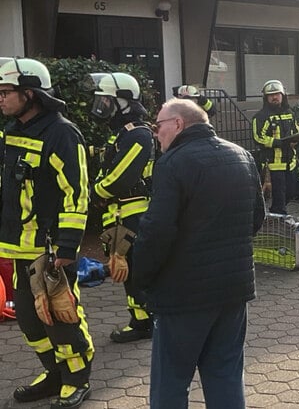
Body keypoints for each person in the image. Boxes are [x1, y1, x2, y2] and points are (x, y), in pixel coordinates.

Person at [133, 99, 265, 409]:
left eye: (158, 126)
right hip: (234, 291)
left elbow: (157, 231)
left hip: (184, 295)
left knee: (171, 381)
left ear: (177, 124)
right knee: (225, 376)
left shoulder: (173, 163)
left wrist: (141, 276)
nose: (155, 133)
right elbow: (256, 218)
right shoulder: (241, 156)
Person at [0, 58, 94, 408]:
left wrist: (67, 246)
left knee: (60, 316)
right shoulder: (13, 131)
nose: (0, 98)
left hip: (50, 249)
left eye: (6, 92)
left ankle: (76, 378)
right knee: (28, 318)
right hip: (19, 247)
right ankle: (53, 373)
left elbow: (76, 193)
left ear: (30, 93)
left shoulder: (61, 133)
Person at [88, 72, 154, 343]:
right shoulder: (124, 134)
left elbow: (122, 176)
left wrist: (96, 192)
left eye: (106, 100)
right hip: (121, 212)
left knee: (135, 270)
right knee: (128, 271)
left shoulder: (138, 134)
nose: (102, 106)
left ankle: (145, 321)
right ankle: (140, 319)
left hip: (132, 213)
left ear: (124, 102)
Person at [252, 80, 299, 215]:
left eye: (277, 94)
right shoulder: (261, 117)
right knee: (279, 195)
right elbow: (258, 137)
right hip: (273, 164)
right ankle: (280, 220)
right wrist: (279, 142)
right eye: (271, 95)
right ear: (266, 98)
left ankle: (275, 213)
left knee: (291, 192)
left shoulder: (290, 113)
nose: (274, 97)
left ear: (282, 95)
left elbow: (295, 130)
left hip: (290, 162)